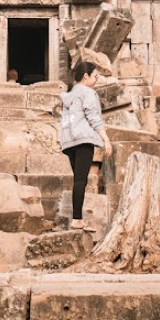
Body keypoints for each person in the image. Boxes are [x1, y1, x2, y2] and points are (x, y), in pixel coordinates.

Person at [60, 61, 112, 231]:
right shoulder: (87, 92)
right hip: (83, 139)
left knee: (78, 179)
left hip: (69, 141)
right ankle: (77, 220)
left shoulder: (70, 94)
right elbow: (93, 117)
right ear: (86, 76)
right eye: (95, 76)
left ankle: (77, 218)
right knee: (81, 180)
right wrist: (106, 139)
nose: (97, 80)